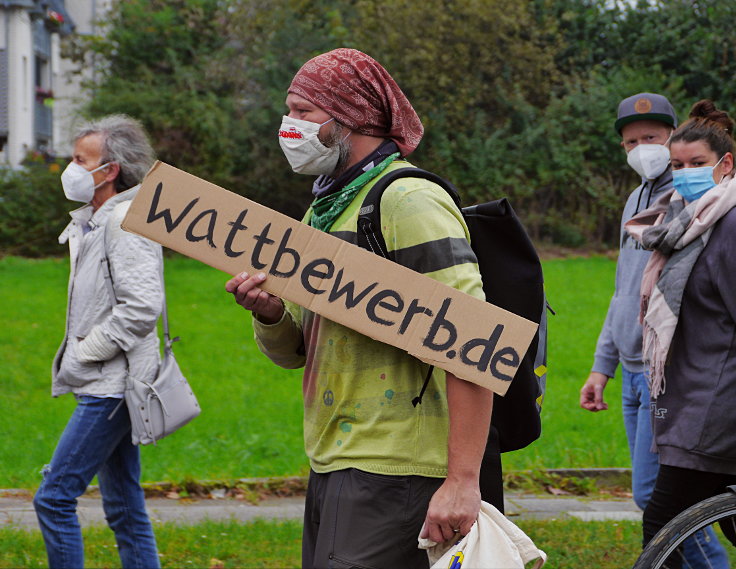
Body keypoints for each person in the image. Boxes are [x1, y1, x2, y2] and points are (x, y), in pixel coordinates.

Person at [226, 48, 492, 569]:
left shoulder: (407, 199)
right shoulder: (324, 208)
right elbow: (298, 350)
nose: (289, 126)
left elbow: (472, 342)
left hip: (397, 465)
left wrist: (462, 480)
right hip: (334, 456)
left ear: (349, 116)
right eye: (289, 111)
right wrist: (270, 313)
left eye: (303, 112)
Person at [580, 93, 727, 566]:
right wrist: (603, 365)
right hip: (633, 367)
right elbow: (625, 291)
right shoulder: (643, 203)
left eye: (652, 138)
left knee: (660, 502)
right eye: (631, 141)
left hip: (669, 374)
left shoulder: (699, 207)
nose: (643, 148)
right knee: (658, 501)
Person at [33, 115, 163, 569]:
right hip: (109, 383)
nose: (70, 169)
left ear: (109, 171)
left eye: (79, 160)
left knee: (53, 498)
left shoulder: (124, 222)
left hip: (111, 387)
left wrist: (87, 352)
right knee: (125, 506)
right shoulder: (93, 223)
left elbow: (143, 307)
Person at [626, 99, 736, 564]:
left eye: (698, 164)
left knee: (663, 523)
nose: (686, 173)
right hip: (687, 397)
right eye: (678, 165)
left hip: (713, 404)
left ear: (725, 164)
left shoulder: (728, 225)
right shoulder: (682, 220)